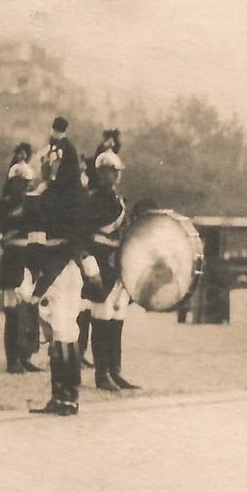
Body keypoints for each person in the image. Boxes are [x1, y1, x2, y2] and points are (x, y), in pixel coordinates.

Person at [26, 116, 99, 415]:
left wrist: (36, 285)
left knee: (58, 335)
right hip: (73, 269)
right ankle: (71, 397)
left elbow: (38, 232)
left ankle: (60, 397)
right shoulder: (79, 197)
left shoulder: (52, 197)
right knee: (68, 333)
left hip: (56, 266)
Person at [85, 142, 141, 391]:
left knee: (117, 317)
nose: (112, 176)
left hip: (115, 263)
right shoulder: (93, 199)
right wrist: (91, 266)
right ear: (100, 174)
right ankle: (101, 373)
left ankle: (114, 370)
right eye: (107, 171)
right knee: (101, 317)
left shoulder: (117, 200)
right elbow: (85, 235)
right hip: (100, 261)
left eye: (115, 171)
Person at [0, 143, 43, 373]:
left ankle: (25, 355)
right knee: (13, 311)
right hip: (12, 257)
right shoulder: (3, 205)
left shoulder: (32, 204)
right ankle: (12, 358)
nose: (23, 187)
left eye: (26, 184)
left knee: (28, 310)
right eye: (19, 183)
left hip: (29, 257)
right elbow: (9, 221)